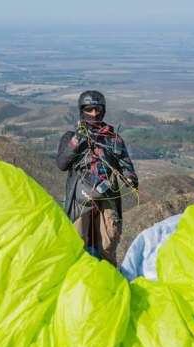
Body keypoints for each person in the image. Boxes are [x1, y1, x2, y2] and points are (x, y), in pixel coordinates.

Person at [56, 90, 138, 266]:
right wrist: (77, 140)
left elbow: (125, 164)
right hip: (80, 197)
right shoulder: (70, 137)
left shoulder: (114, 139)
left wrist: (130, 177)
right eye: (89, 109)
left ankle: (109, 280)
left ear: (103, 110)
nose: (94, 113)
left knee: (109, 241)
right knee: (77, 242)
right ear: (82, 110)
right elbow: (62, 163)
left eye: (97, 109)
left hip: (107, 194)